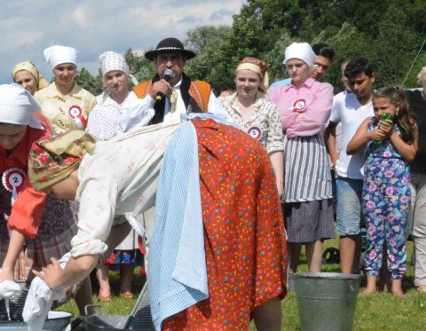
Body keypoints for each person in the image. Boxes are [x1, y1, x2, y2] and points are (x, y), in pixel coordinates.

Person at [29, 117, 287, 331]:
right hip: (238, 144)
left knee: (184, 270)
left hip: (211, 160)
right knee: (258, 257)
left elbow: (83, 262)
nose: (56, 198)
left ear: (63, 170)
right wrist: (97, 253)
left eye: (49, 189)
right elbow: (115, 227)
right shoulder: (105, 155)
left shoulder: (93, 176)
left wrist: (58, 279)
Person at [0, 84, 92, 310]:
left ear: (26, 125)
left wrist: (7, 265)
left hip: (41, 196)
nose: (7, 141)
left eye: (15, 135)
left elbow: (30, 200)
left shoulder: (41, 135)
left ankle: (88, 313)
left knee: (67, 256)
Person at [86, 51, 152, 299]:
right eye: (110, 77)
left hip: (136, 171)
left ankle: (126, 283)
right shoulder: (99, 106)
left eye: (119, 75)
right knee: (104, 226)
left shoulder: (141, 102)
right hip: (109, 171)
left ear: (127, 76)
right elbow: (95, 142)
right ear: (104, 81)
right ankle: (103, 285)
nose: (115, 81)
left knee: (132, 226)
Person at [269, 42, 335, 274]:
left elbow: (318, 119)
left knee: (312, 214)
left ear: (308, 65)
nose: (294, 70)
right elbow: (273, 119)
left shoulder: (323, 89)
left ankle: (314, 273)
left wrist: (291, 122)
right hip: (283, 153)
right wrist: (297, 117)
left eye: (298, 65)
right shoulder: (277, 91)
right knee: (287, 214)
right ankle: (288, 272)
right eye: (290, 66)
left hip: (311, 156)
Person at [348, 87, 418, 297]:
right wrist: (369, 136)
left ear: (397, 107)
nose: (379, 113)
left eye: (384, 108)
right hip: (373, 186)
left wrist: (391, 136)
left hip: (397, 186)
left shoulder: (408, 124)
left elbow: (410, 154)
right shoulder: (369, 123)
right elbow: (351, 148)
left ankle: (396, 285)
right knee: (373, 233)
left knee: (397, 234)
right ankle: (371, 283)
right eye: (376, 108)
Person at [326, 58, 376, 274]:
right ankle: (348, 276)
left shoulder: (383, 100)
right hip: (347, 174)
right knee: (348, 227)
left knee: (376, 227)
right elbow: (329, 127)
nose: (356, 87)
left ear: (372, 78)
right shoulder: (340, 100)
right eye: (352, 82)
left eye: (361, 82)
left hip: (377, 173)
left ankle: (378, 275)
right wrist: (334, 156)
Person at [220, 56, 285, 194]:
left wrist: (279, 182)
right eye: (242, 79)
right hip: (226, 176)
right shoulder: (221, 105)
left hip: (258, 176)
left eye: (252, 80)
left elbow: (275, 146)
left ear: (259, 82)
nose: (246, 84)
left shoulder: (270, 108)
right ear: (235, 80)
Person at [131, 37, 226, 126]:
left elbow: (222, 122)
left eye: (174, 58)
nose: (169, 64)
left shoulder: (202, 90)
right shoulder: (140, 91)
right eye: (164, 58)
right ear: (156, 62)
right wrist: (150, 97)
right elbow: (126, 126)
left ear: (184, 61)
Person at [33, 45, 97, 134]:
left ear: (76, 69)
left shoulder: (89, 99)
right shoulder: (39, 97)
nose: (66, 73)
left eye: (70, 68)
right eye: (60, 69)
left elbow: (93, 131)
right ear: (53, 70)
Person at [404, 66, 426, 292]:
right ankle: (395, 276)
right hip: (407, 170)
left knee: (423, 228)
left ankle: (422, 279)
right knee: (402, 224)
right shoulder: (410, 97)